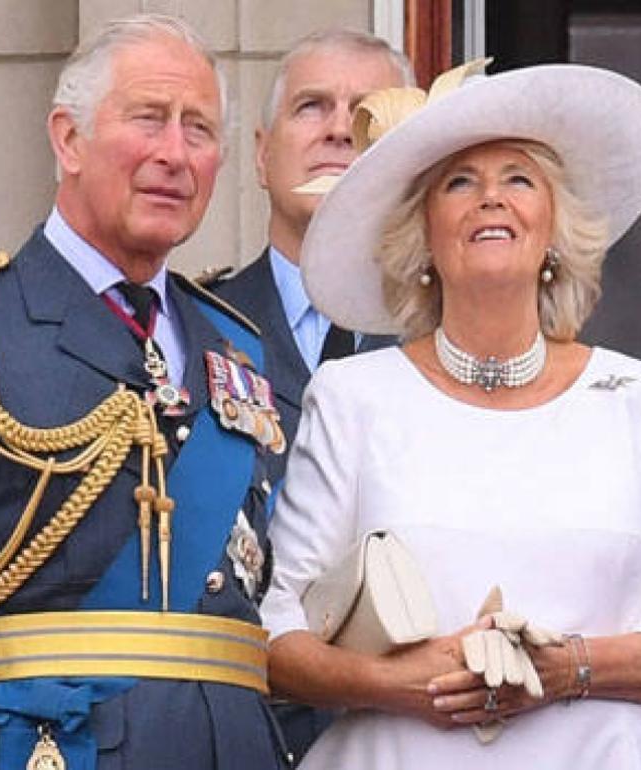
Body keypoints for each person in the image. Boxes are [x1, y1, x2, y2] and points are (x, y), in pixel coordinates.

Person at [258, 61, 641, 769]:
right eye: (459, 183)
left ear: (554, 232)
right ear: (424, 239)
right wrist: (394, 684)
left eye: (518, 178)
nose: (490, 200)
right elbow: (278, 633)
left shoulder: (639, 395)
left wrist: (566, 667)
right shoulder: (353, 396)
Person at [0, 15, 288, 770]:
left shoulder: (236, 348)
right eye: (149, 119)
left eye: (199, 130)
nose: (175, 154)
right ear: (68, 139)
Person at [207, 28, 412, 765]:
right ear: (261, 153)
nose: (335, 128)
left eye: (365, 113)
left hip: (417, 737)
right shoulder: (190, 332)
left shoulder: (457, 343)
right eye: (312, 106)